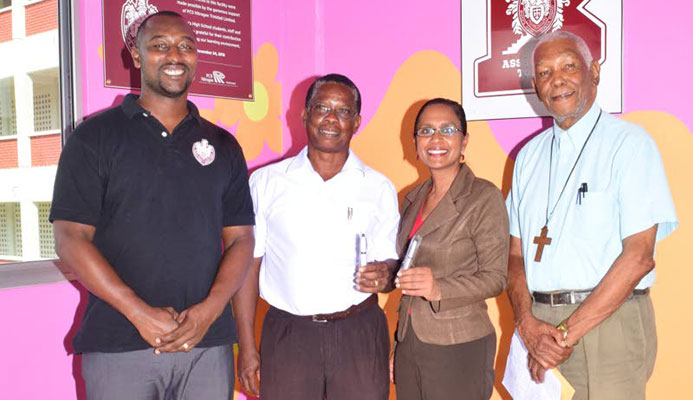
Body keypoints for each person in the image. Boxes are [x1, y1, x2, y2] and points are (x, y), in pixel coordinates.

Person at [50, 11, 255, 400]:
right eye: (160, 45)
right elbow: (70, 238)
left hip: (206, 346)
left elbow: (241, 239)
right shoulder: (94, 137)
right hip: (119, 342)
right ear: (136, 55)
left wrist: (209, 311)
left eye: (186, 46)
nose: (175, 55)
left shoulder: (224, 146)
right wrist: (139, 312)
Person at [506, 31, 678, 399]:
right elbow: (515, 255)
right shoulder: (527, 158)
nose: (558, 79)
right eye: (545, 72)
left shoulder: (630, 145)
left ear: (594, 71)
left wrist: (565, 334)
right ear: (536, 85)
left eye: (569, 65)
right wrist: (527, 324)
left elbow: (638, 258)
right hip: (538, 326)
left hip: (607, 325)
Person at [233, 73, 399, 400]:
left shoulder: (378, 187)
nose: (331, 118)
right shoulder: (266, 183)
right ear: (305, 115)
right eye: (322, 107)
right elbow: (247, 269)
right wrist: (248, 347)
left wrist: (386, 274)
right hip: (289, 335)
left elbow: (391, 268)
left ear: (357, 122)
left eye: (343, 111)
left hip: (359, 332)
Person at [392, 98, 509, 400]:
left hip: (459, 344)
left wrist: (438, 288)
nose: (436, 139)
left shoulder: (483, 196)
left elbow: (496, 277)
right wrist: (397, 346)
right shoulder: (412, 198)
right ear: (415, 142)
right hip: (410, 341)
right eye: (426, 130)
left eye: (447, 129)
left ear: (464, 139)